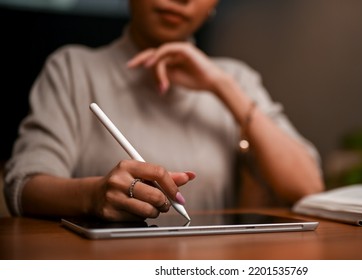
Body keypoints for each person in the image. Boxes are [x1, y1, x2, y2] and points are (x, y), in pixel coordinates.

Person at [3, 0, 324, 221]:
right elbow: (23, 187)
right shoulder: (74, 68)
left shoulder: (235, 78)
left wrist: (222, 87)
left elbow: (307, 188)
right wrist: (93, 195)